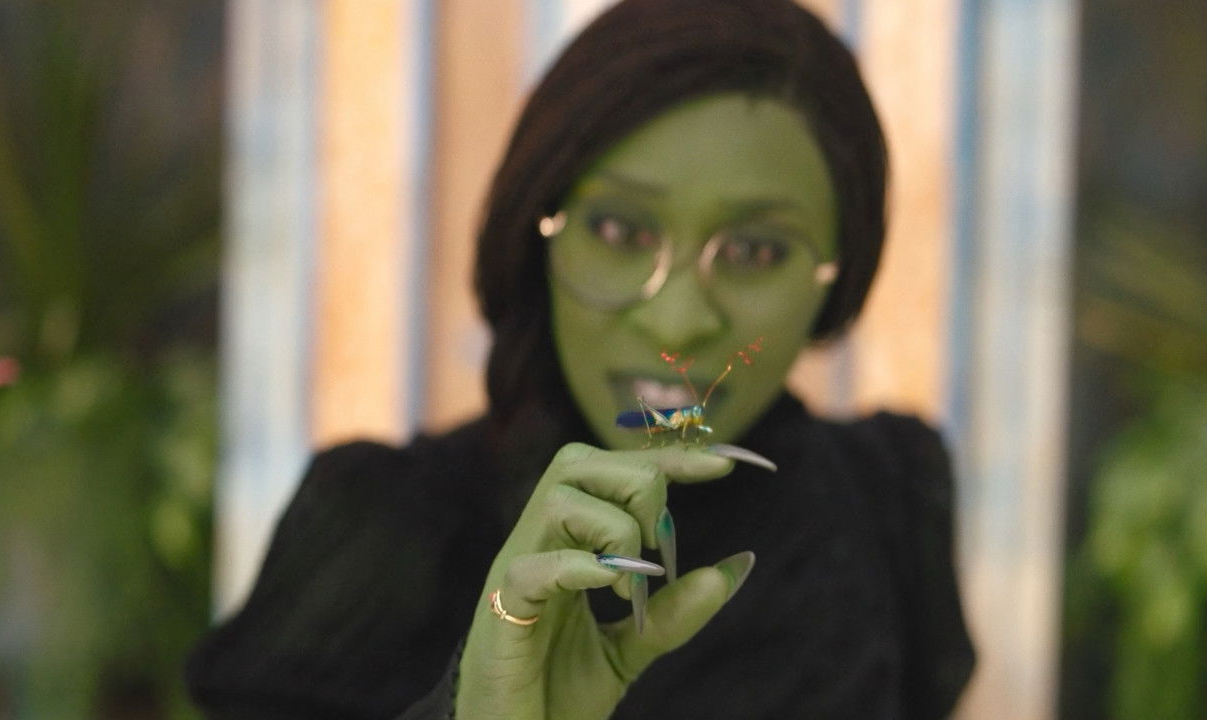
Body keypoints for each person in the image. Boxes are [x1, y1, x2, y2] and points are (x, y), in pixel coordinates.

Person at [186, 0, 975, 717]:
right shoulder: (379, 532)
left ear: (840, 274)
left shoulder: (888, 498)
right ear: (539, 233)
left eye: (755, 251)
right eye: (620, 232)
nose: (680, 320)